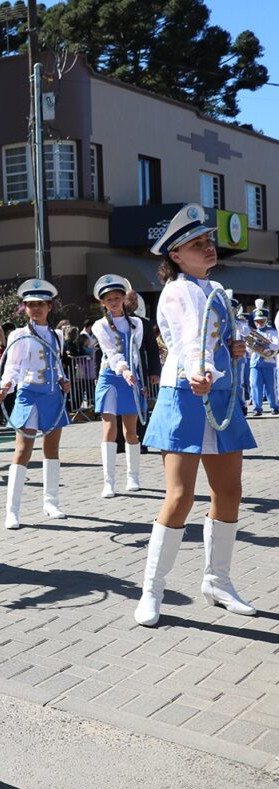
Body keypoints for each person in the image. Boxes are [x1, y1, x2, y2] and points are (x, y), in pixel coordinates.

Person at [133, 205, 258, 627]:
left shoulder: (217, 290)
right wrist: (197, 369)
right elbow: (188, 339)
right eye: (197, 244)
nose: (208, 247)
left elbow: (216, 336)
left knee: (230, 493)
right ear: (175, 256)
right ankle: (152, 590)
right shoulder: (178, 291)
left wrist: (233, 348)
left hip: (217, 392)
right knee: (180, 496)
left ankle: (217, 582)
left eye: (208, 241)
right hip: (186, 391)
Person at [0, 280, 71, 530]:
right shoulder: (19, 335)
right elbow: (13, 367)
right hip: (28, 395)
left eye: (40, 304)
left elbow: (56, 363)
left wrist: (63, 379)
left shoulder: (57, 335)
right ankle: (12, 511)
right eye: (30, 305)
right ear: (24, 308)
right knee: (22, 451)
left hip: (52, 396)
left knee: (52, 449)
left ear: (49, 306)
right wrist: (6, 386)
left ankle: (51, 502)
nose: (35, 308)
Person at [91, 274, 148, 498]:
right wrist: (124, 369)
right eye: (109, 299)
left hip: (131, 378)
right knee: (109, 430)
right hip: (110, 377)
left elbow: (136, 351)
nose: (114, 302)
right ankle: (109, 482)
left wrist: (134, 373)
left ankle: (133, 477)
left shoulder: (137, 323)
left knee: (130, 431)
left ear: (124, 298)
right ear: (103, 303)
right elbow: (111, 352)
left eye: (117, 297)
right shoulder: (100, 325)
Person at [247, 301, 278, 415]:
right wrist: (254, 347)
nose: (259, 323)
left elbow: (277, 345)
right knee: (255, 386)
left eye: (262, 320)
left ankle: (274, 406)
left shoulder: (271, 332)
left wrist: (264, 347)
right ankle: (257, 408)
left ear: (266, 320)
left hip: (269, 362)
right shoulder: (251, 333)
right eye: (257, 321)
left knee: (271, 386)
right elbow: (248, 349)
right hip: (255, 363)